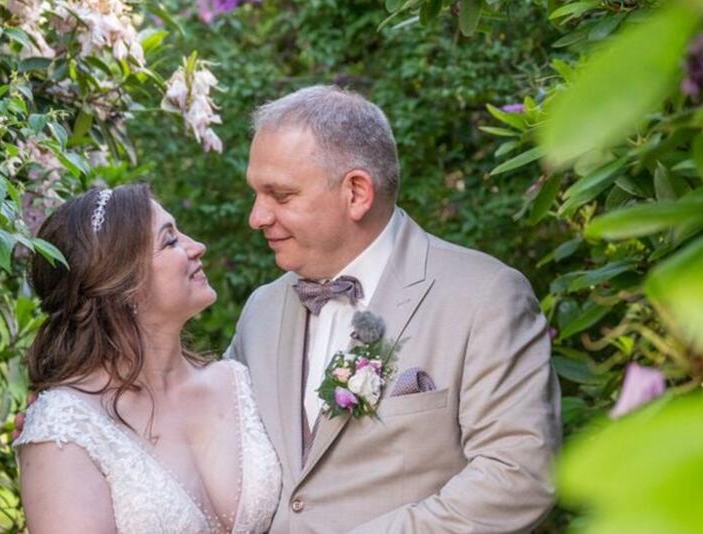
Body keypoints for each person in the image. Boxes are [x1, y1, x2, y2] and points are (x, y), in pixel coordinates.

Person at [225, 85, 561, 533]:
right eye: (256, 194)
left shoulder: (485, 297)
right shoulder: (261, 311)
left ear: (357, 193)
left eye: (280, 196)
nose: (257, 217)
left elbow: (519, 476)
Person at [13, 184, 282, 534]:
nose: (196, 247)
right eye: (170, 241)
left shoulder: (238, 380)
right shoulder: (65, 428)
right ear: (118, 282)